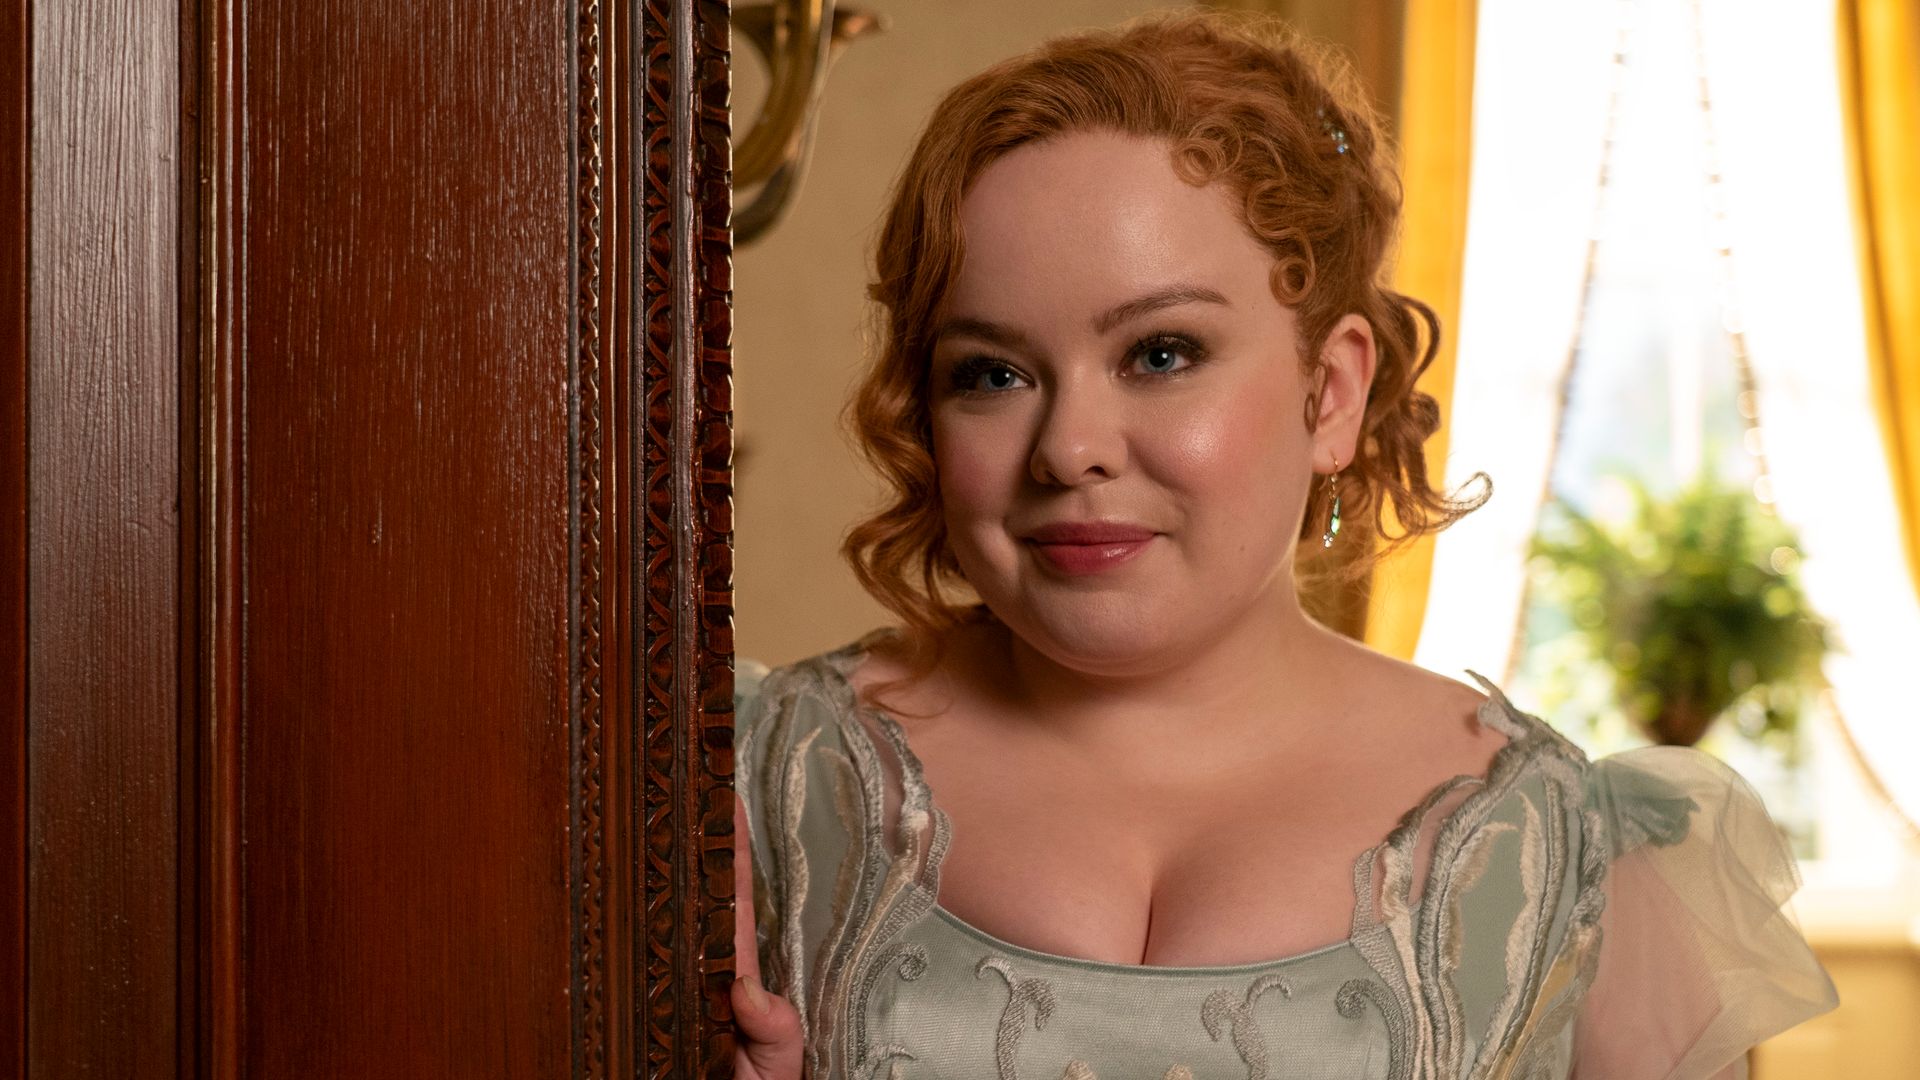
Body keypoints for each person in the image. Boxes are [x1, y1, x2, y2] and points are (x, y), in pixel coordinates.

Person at [728, 9, 1840, 1078]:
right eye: (993, 373)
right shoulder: (754, 782)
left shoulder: (1581, 861)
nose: (1068, 448)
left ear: (1333, 392)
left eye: (1161, 354)